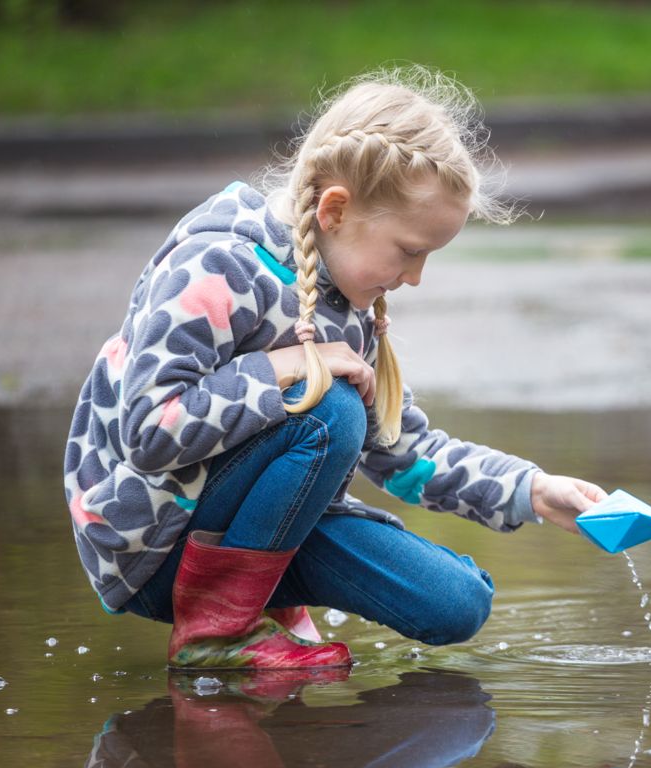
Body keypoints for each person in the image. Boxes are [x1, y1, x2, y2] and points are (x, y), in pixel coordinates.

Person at [62, 66, 607, 670]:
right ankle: (216, 633)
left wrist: (533, 491)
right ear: (334, 210)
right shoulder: (215, 266)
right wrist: (287, 367)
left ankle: (254, 603)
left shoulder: (348, 308)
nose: (416, 277)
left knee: (458, 603)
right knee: (331, 409)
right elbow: (148, 431)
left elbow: (402, 453)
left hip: (266, 527)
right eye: (410, 251)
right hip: (154, 545)